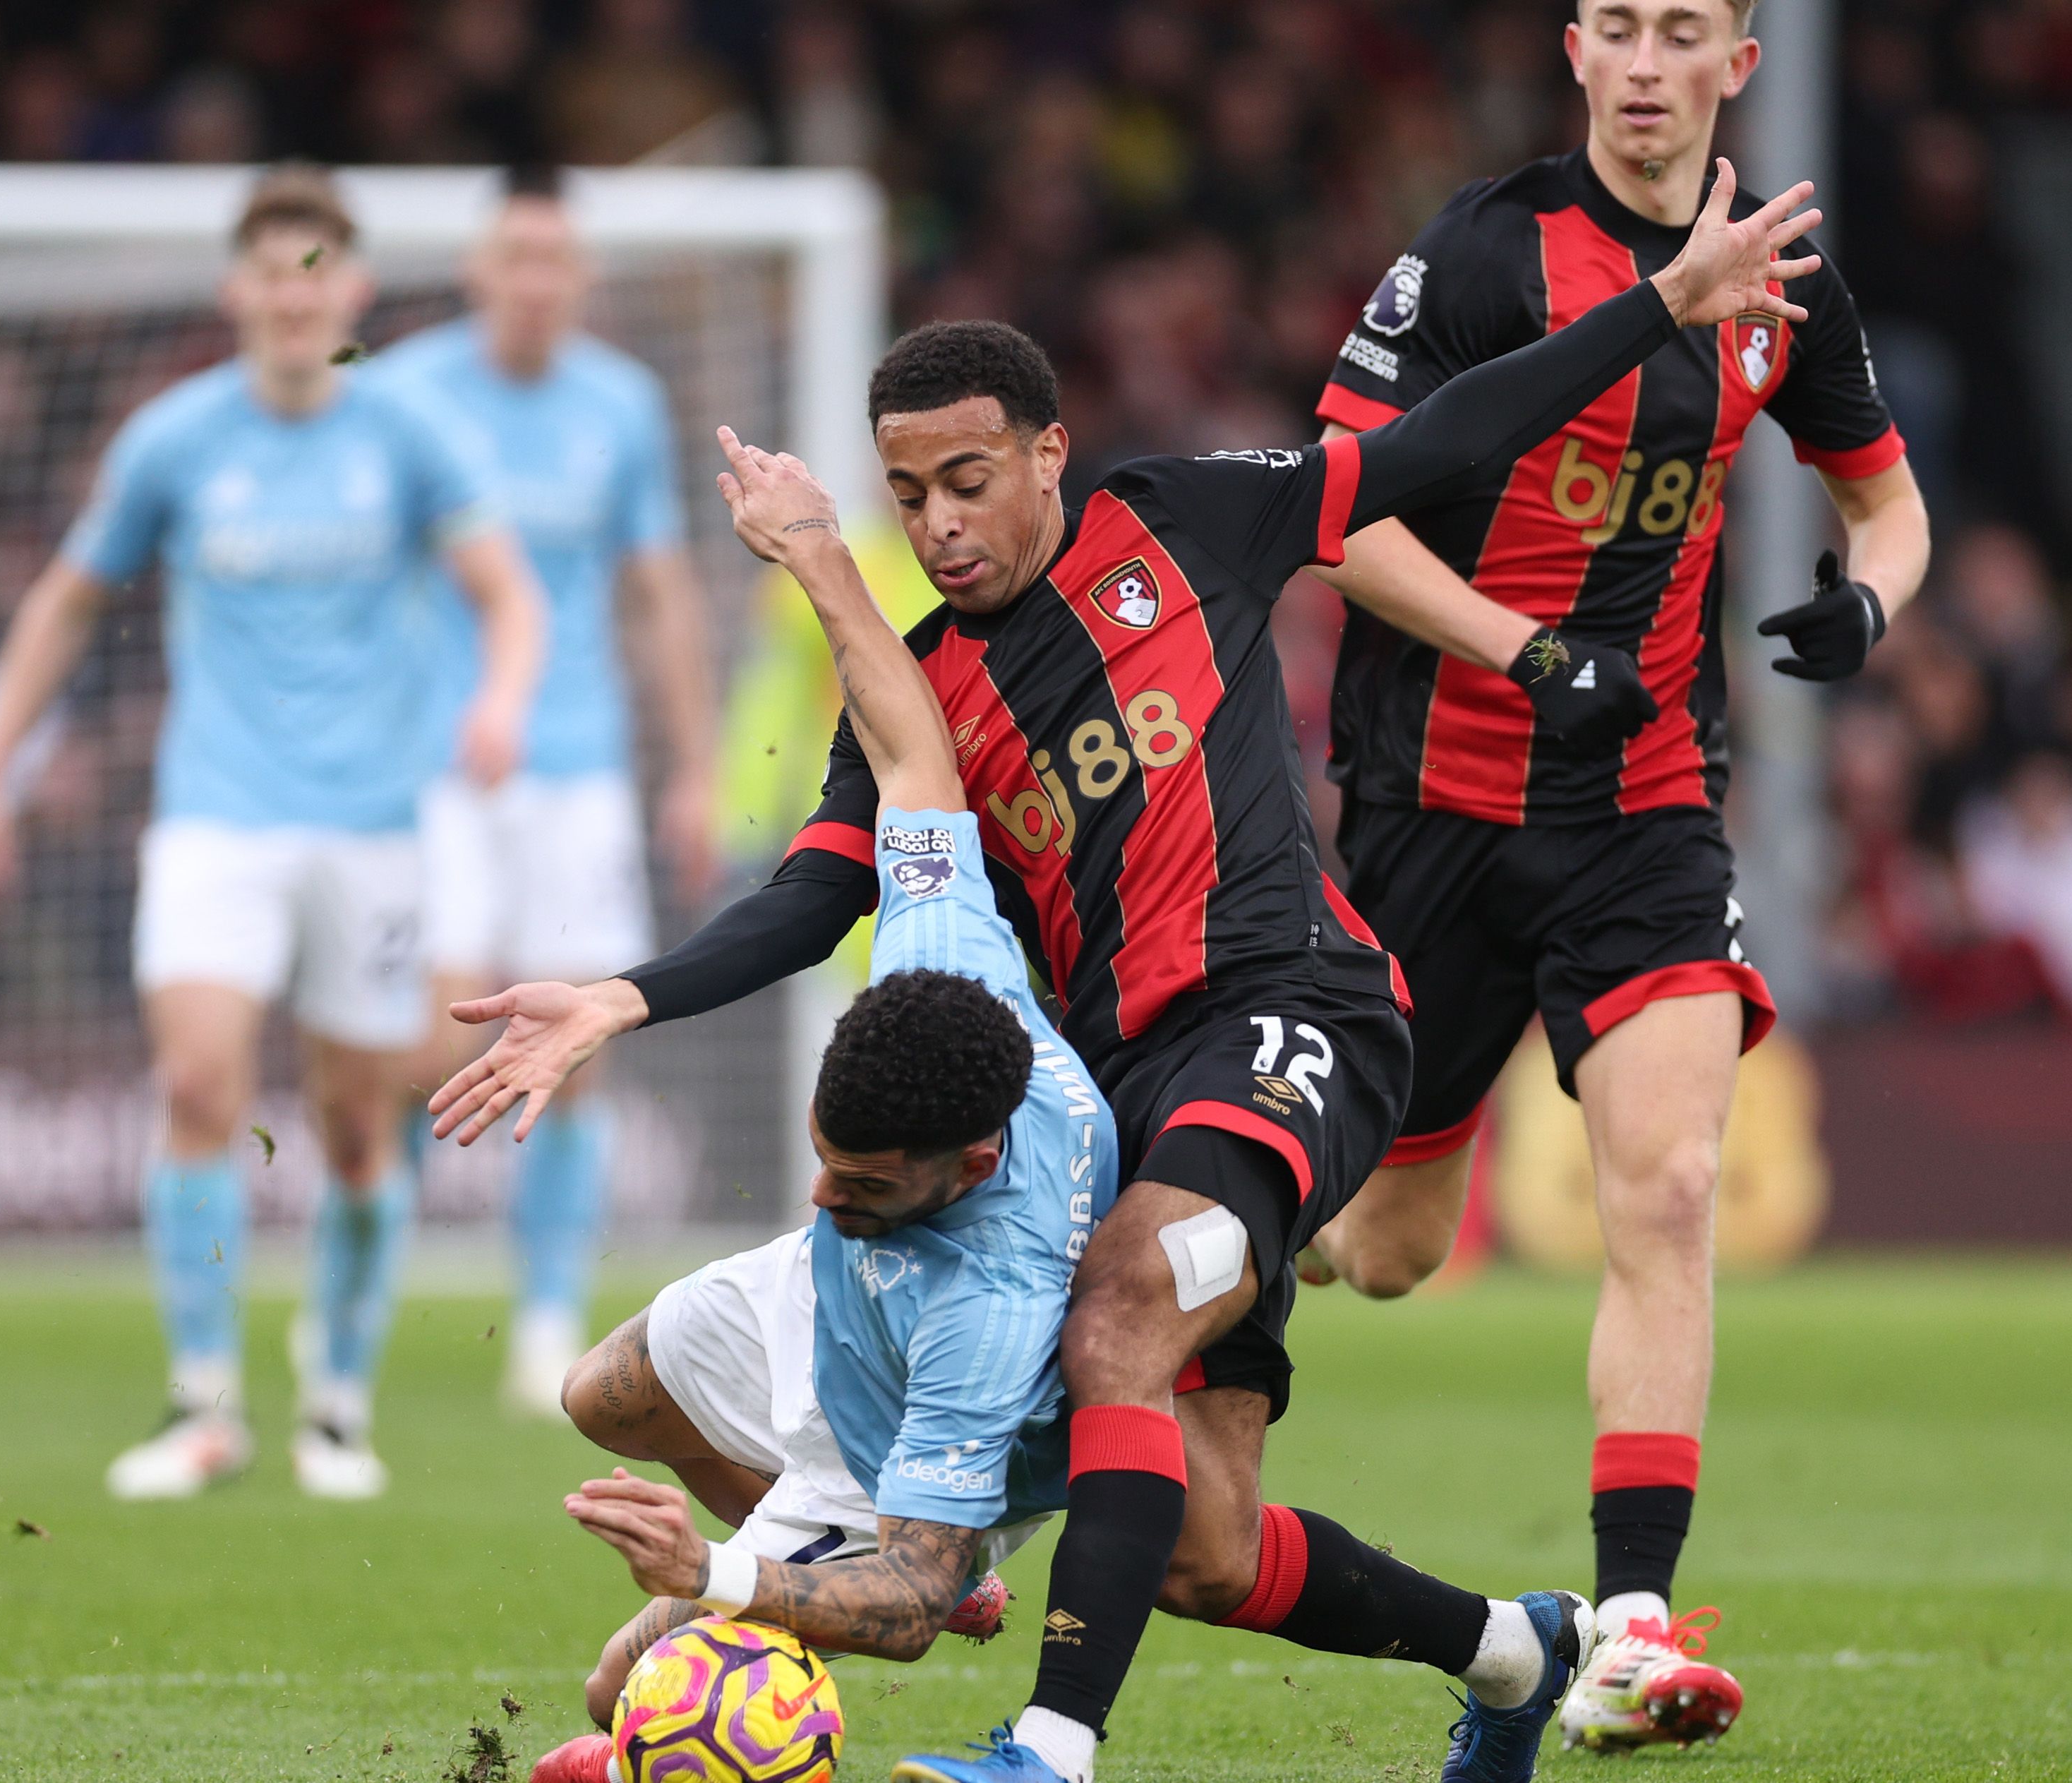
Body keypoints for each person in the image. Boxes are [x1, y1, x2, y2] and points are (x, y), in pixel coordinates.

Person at [435, 167, 1821, 1783]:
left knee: (1111, 1324)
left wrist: (1659, 303)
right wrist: (620, 996)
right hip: (1116, 1093)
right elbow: (813, 896)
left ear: (1043, 455)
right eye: (905, 496)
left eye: (967, 481)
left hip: (1293, 1013)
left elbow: (1439, 442)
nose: (939, 525)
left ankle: (1048, 1746)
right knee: (1201, 1544)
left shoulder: (1183, 518)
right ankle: (1518, 1656)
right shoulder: (918, 692)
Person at [1299, 0, 1931, 1748]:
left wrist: (1869, 597)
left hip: (1644, 807)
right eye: (1620, 30)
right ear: (1574, 52)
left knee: (1663, 1188)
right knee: (1389, 1250)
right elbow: (1335, 516)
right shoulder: (1486, 256)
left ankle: (1632, 1627)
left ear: (1737, 65)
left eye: (1684, 35)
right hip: (1431, 802)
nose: (1647, 66)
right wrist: (1519, 650)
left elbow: (1889, 506)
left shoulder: (1784, 284)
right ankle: (1267, 1259)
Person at [0, 164, 546, 1502]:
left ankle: (334, 1397)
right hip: (216, 816)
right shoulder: (174, 439)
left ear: (355, 289)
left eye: (317, 270)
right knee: (201, 1087)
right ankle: (205, 1400)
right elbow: (63, 605)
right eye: (273, 274)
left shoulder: (407, 434)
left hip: (374, 829)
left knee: (352, 1124)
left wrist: (500, 700)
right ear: (236, 292)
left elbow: (507, 593)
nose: (293, 296)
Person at [523, 426, 1107, 1783]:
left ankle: (832, 1559)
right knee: (602, 1390)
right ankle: (804, 1556)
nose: (820, 1194)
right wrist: (816, 551)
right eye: (824, 1161)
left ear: (966, 1165)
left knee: (625, 1682)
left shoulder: (998, 1298)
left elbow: (898, 1619)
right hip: (847, 1299)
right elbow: (914, 757)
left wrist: (722, 1571)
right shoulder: (944, 958)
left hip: (906, 1402)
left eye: (860, 1182)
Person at [375, 164, 719, 1419]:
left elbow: (659, 588)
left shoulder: (619, 406)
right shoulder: (406, 393)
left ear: (581, 279)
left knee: (580, 1043)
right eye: (514, 257)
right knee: (424, 1039)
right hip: (439, 768)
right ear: (479, 271)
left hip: (578, 769)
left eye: (555, 260)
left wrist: (693, 768)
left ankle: (545, 1318)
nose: (534, 282)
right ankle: (367, 1290)